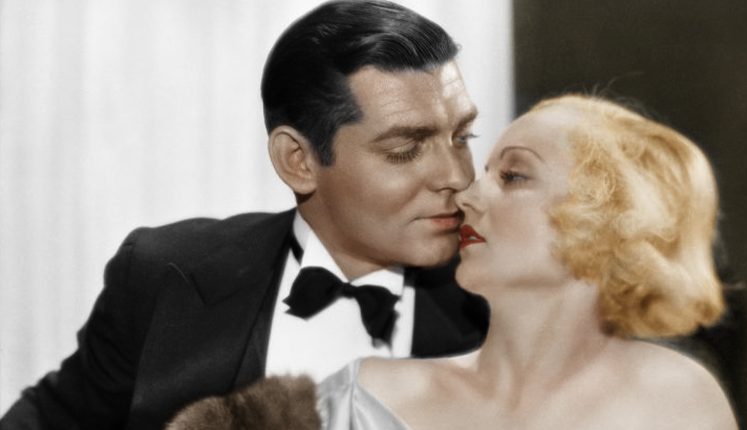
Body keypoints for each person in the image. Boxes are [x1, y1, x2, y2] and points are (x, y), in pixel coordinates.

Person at [0, 1, 489, 428]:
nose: (459, 175)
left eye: (462, 137)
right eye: (405, 148)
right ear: (298, 161)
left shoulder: (504, 302)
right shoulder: (163, 274)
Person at [314, 94, 739, 429]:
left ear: (606, 220)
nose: (467, 197)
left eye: (513, 176)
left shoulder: (672, 401)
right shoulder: (359, 401)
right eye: (485, 173)